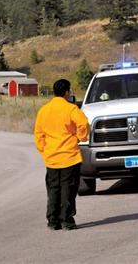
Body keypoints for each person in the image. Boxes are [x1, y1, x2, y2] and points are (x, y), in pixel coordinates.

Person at [34, 78, 90, 231]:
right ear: (67, 92)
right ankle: (67, 220)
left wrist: (44, 150)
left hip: (51, 157)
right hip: (69, 157)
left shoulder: (44, 110)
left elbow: (38, 134)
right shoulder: (71, 109)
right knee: (68, 189)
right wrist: (81, 137)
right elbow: (83, 124)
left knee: (53, 189)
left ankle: (53, 221)